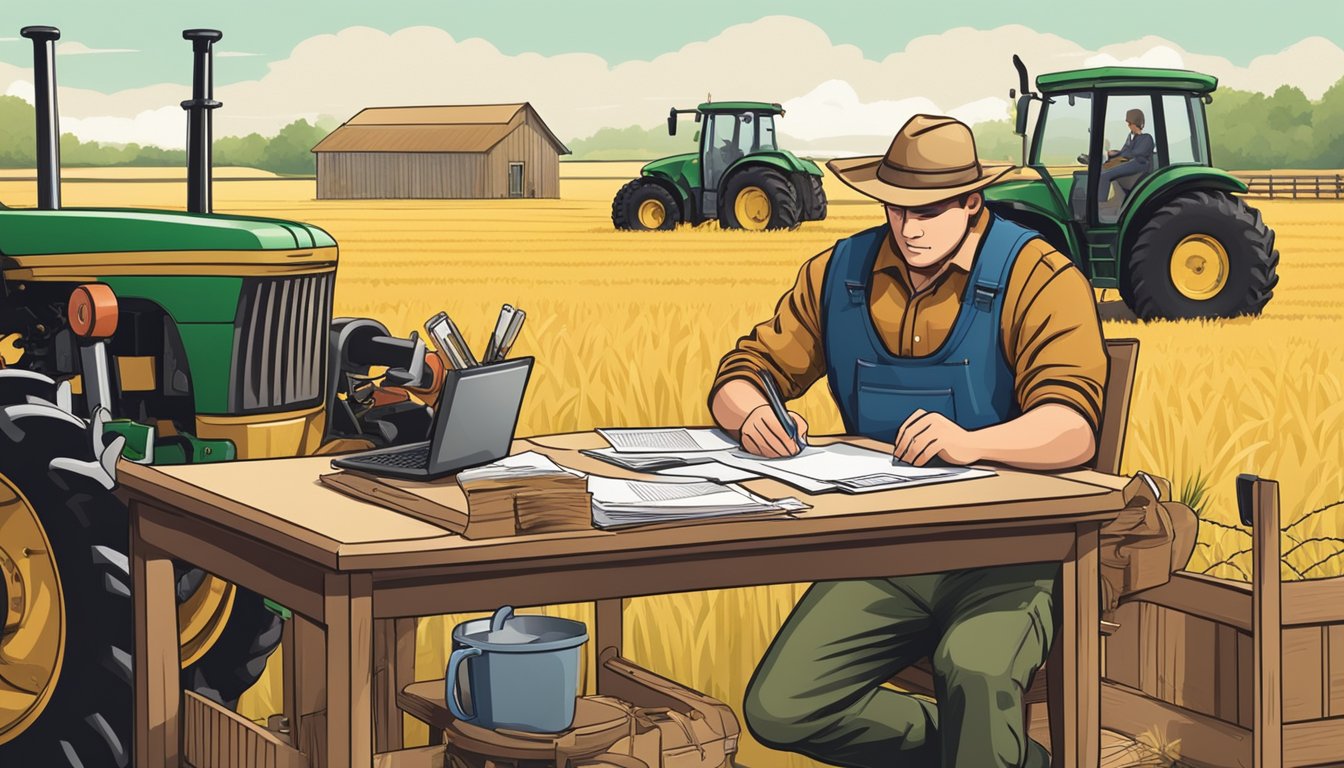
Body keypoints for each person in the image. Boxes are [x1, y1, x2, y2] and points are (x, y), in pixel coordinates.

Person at [707, 114, 1107, 768]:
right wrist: (751, 411)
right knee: (781, 706)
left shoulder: (1038, 276)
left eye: (929, 209)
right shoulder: (841, 272)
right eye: (896, 207)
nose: (909, 227)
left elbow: (1073, 429)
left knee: (974, 670)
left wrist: (974, 444)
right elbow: (742, 372)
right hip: (889, 551)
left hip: (1009, 554)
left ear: (972, 202)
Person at [1100, 108, 1155, 187]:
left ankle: (1100, 199)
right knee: (1102, 168)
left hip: (1138, 163)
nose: (1128, 126)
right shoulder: (1130, 136)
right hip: (1128, 160)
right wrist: (1114, 153)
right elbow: (1124, 151)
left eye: (1130, 123)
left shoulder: (1147, 138)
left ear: (1136, 122)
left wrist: (1120, 154)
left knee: (1104, 176)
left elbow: (1135, 153)